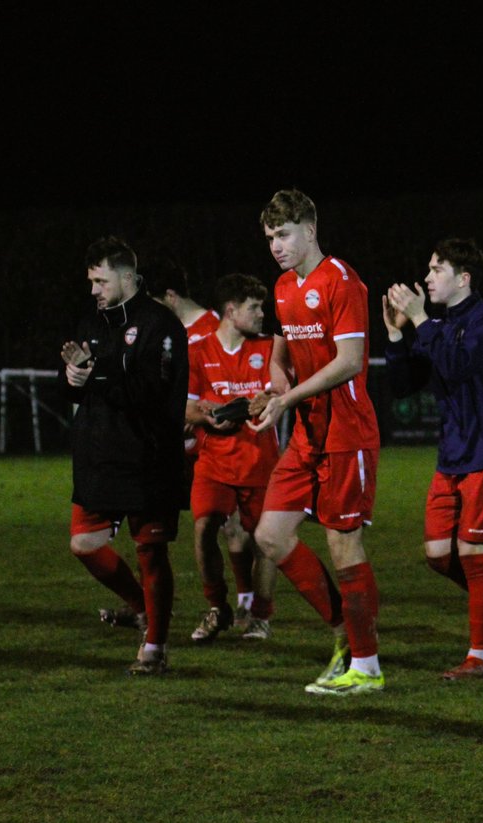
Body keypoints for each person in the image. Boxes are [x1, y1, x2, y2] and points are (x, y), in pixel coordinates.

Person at [383, 238, 483, 679]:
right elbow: (402, 383)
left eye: (437, 269)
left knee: (472, 553)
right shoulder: (438, 323)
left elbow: (453, 366)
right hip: (451, 455)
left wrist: (418, 319)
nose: (428, 276)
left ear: (463, 279)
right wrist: (397, 333)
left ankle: (478, 657)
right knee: (438, 555)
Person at [250, 189, 384, 695]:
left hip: (346, 432)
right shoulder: (284, 286)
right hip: (308, 431)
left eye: (283, 235)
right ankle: (345, 637)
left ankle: (367, 668)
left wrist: (288, 399)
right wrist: (275, 377)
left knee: (342, 541)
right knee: (271, 535)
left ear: (309, 229)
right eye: (269, 238)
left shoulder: (342, 281)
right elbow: (282, 348)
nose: (276, 247)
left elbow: (350, 362)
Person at [60, 236, 188, 675]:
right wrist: (74, 377)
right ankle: (141, 607)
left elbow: (154, 392)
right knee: (84, 543)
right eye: (91, 281)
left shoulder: (162, 326)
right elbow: (81, 388)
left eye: (101, 280)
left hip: (148, 456)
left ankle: (155, 647)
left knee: (151, 552)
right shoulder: (90, 323)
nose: (93, 290)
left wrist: (96, 377)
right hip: (99, 456)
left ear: (127, 276)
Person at [145, 258, 257, 627]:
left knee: (232, 526)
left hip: (217, 448)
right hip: (177, 449)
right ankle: (211, 604)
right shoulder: (168, 334)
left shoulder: (215, 329)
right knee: (192, 528)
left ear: (171, 296)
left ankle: (245, 603)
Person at [184, 273, 281, 643]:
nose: (261, 314)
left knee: (264, 542)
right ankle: (217, 607)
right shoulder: (198, 352)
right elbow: (187, 409)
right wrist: (206, 415)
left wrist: (270, 400)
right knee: (204, 526)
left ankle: (260, 616)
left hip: (260, 461)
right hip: (215, 463)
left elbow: (283, 392)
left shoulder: (270, 347)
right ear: (231, 310)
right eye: (254, 307)